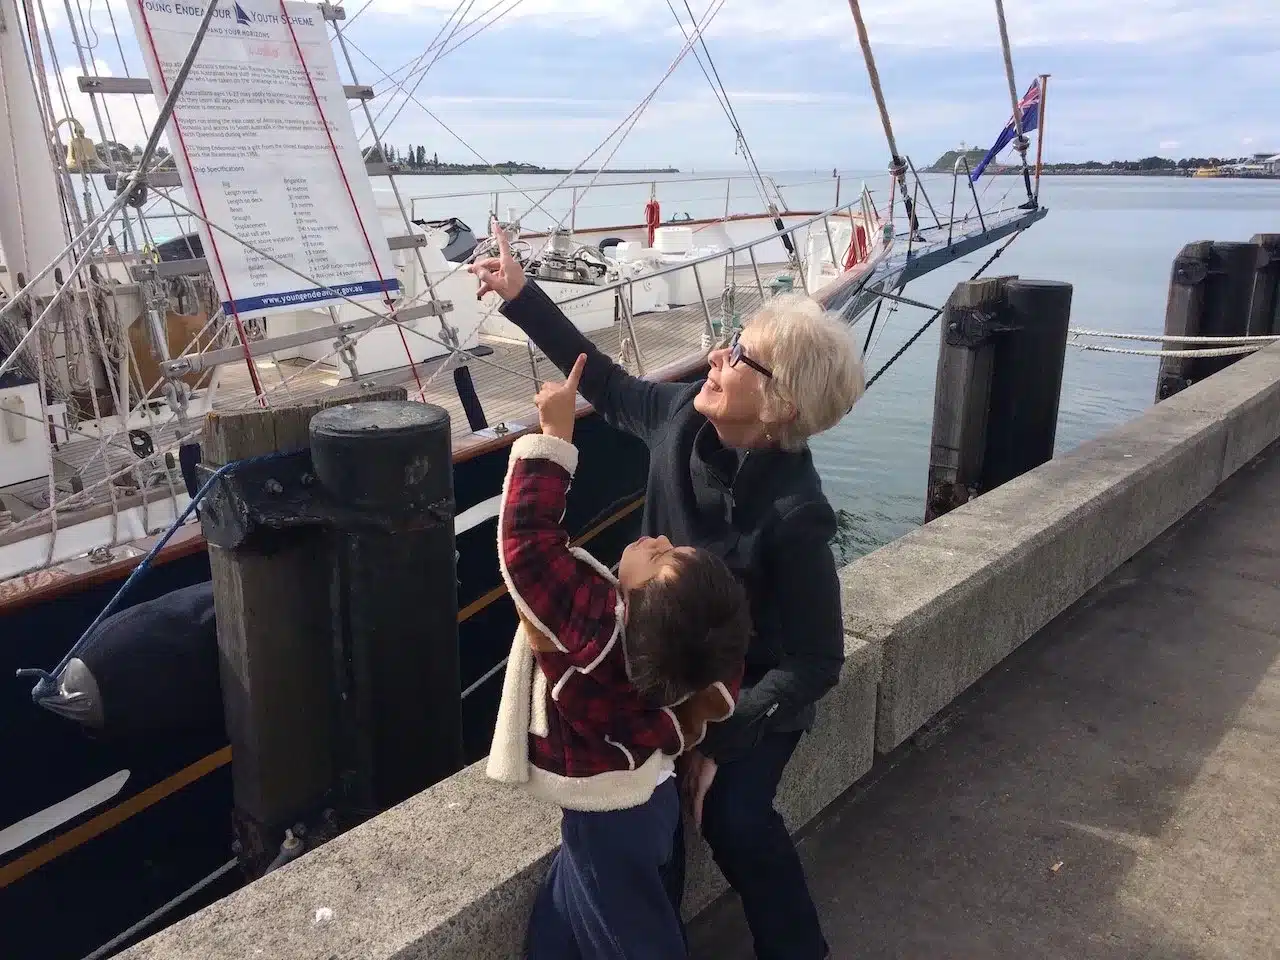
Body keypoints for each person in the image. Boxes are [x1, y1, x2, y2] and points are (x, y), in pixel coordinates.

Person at [472, 223, 866, 960]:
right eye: (730, 342)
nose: (719, 356)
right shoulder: (680, 421)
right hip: (650, 680)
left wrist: (719, 731)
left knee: (732, 816)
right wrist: (522, 296)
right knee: (653, 821)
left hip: (742, 689)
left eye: (742, 356)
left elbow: (816, 661)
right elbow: (609, 382)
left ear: (780, 407)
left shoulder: (796, 513)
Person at [487, 353, 752, 959]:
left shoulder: (596, 637)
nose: (658, 538)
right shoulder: (683, 655)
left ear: (630, 606)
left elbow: (527, 548)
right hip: (648, 793)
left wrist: (555, 436)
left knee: (634, 938)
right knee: (564, 916)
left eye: (660, 557)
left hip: (607, 817)